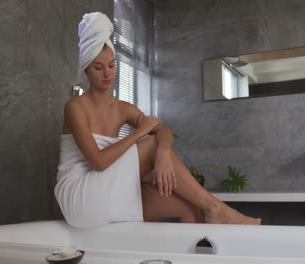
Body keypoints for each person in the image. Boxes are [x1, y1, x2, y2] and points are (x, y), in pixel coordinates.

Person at [54, 12, 261, 228]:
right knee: (151, 143)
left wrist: (162, 153)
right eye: (98, 67)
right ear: (86, 69)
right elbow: (98, 161)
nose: (107, 74)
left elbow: (161, 129)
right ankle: (216, 209)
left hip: (105, 189)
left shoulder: (123, 108)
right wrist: (140, 132)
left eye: (112, 65)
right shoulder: (75, 107)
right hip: (79, 197)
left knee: (188, 207)